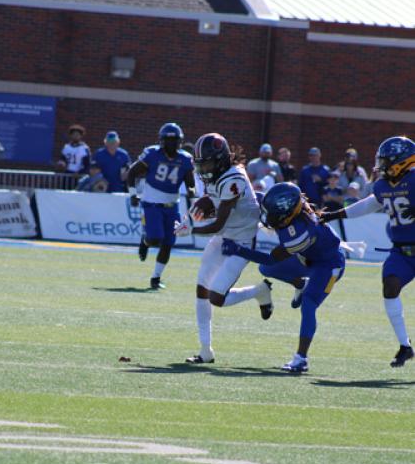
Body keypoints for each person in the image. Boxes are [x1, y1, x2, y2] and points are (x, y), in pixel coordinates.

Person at [222, 182, 346, 373]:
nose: (267, 216)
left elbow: (272, 258)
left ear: (287, 214)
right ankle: (300, 283)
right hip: (308, 258)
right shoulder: (287, 213)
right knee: (265, 270)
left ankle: (301, 359)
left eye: (272, 213)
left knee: (309, 303)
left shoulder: (300, 232)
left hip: (329, 265)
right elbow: (253, 197)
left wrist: (239, 250)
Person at [174, 133, 272, 364]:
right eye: (200, 163)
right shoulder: (217, 174)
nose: (203, 168)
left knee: (217, 297)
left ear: (219, 159)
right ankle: (205, 350)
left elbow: (218, 222)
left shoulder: (234, 178)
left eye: (206, 162)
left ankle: (259, 291)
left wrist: (193, 231)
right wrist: (191, 216)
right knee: (201, 289)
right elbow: (209, 199)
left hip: (241, 243)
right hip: (223, 238)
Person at [321, 136, 414, 367]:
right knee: (390, 284)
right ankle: (405, 346)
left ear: (401, 162)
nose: (380, 166)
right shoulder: (383, 185)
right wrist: (333, 215)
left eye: (385, 162)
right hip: (402, 252)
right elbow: (368, 205)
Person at [127, 123, 195, 289]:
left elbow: (190, 182)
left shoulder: (185, 159)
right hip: (152, 203)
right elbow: (132, 172)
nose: (172, 144)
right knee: (155, 239)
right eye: (169, 140)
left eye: (175, 140)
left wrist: (192, 194)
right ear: (162, 141)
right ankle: (145, 241)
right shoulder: (152, 154)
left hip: (172, 205)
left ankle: (156, 278)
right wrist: (133, 194)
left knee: (169, 242)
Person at [57, 124, 91, 188]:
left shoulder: (84, 148)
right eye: (74, 134)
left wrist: (80, 173)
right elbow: (62, 159)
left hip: (79, 175)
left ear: (81, 136)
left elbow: (87, 164)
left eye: (77, 134)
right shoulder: (66, 147)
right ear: (71, 135)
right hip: (67, 174)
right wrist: (61, 164)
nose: (75, 136)